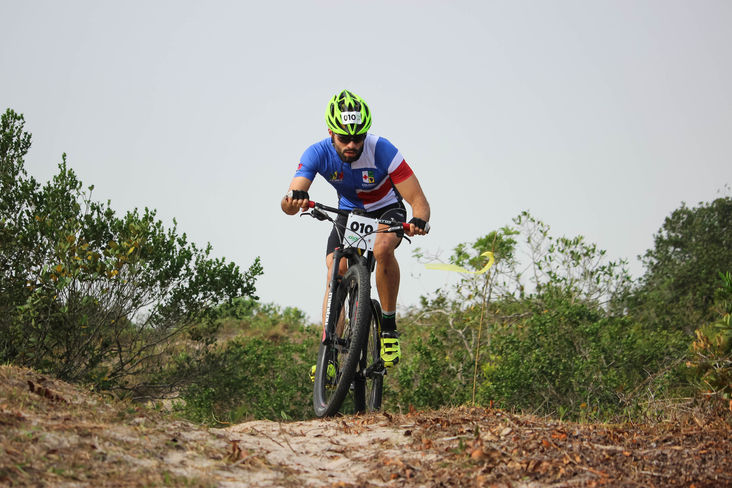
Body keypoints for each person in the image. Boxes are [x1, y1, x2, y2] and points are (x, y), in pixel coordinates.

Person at [281, 89, 430, 367]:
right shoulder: (317, 153)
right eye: (344, 138)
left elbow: (418, 201)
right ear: (330, 132)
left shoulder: (382, 149)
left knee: (383, 247)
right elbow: (291, 198)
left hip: (387, 209)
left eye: (358, 138)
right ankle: (329, 352)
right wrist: (293, 201)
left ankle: (387, 328)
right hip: (350, 211)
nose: (352, 144)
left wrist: (419, 219)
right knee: (335, 269)